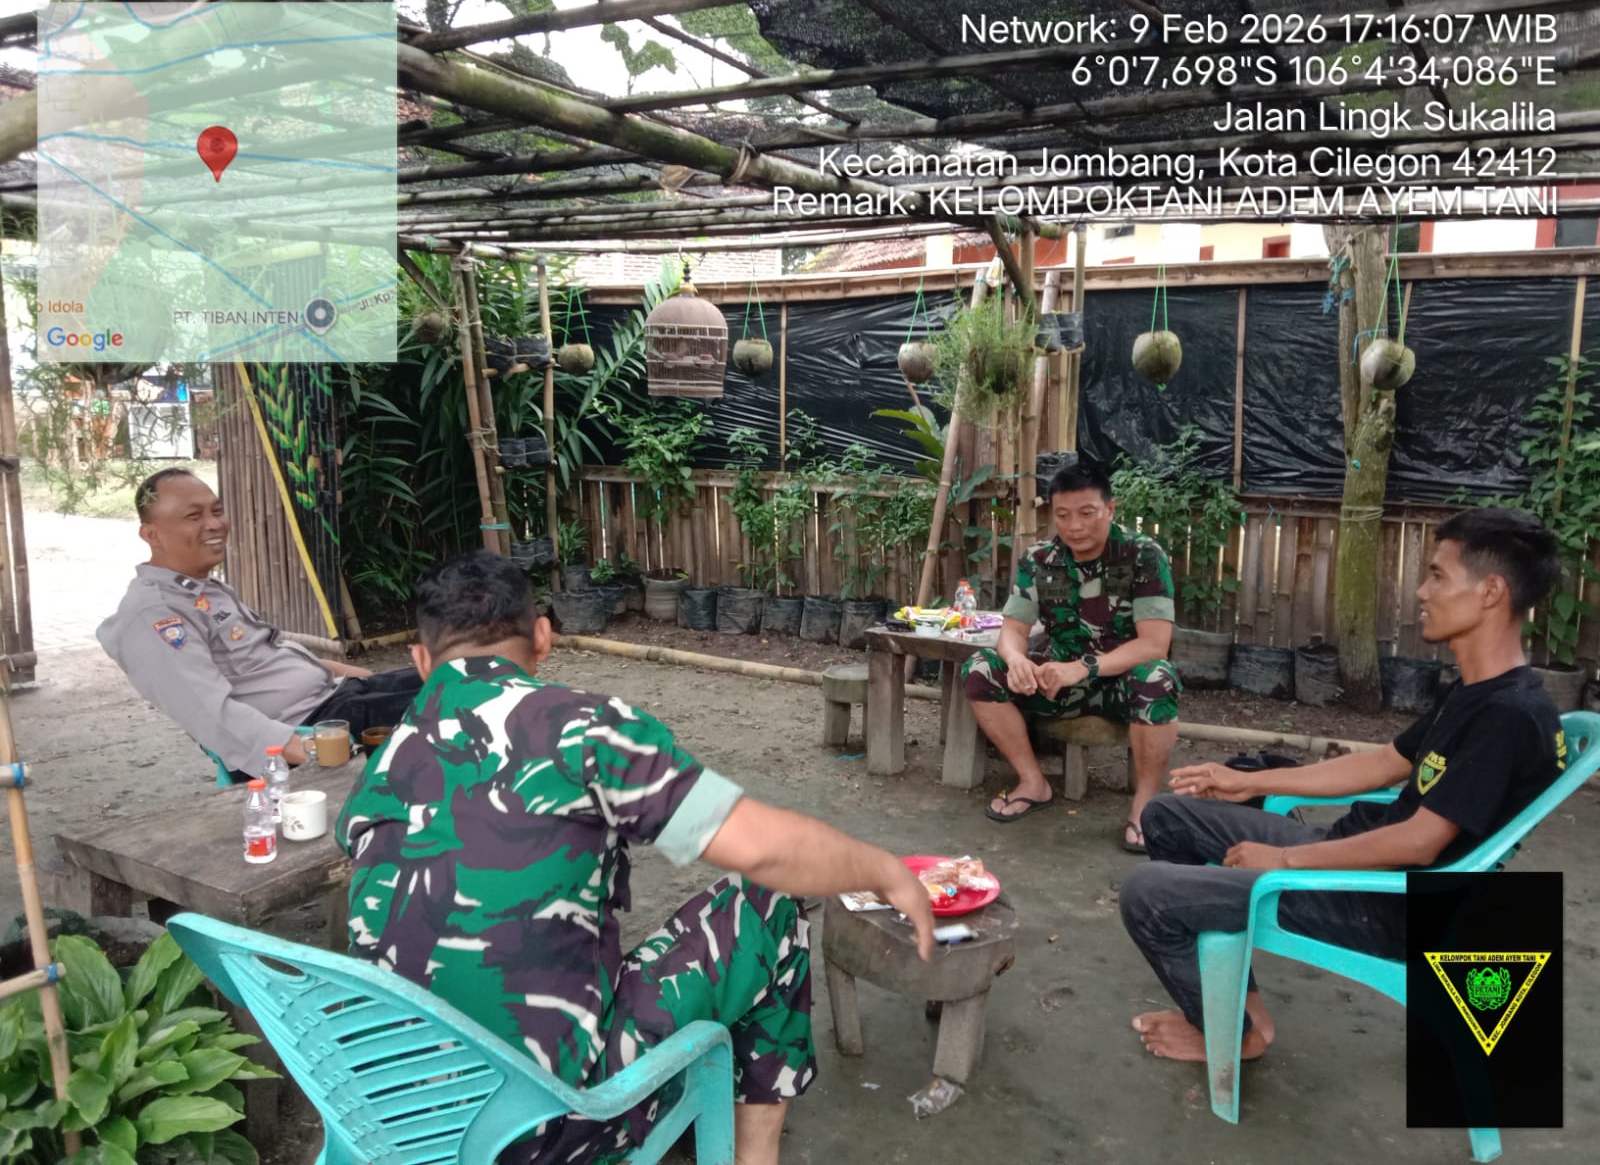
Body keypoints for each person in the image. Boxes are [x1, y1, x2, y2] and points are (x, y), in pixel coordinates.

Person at [336, 551, 934, 1165]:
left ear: (421, 660)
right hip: (551, 1130)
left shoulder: (383, 762)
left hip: (394, 1125)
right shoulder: (585, 729)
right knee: (770, 905)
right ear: (542, 637)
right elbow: (763, 849)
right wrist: (885, 871)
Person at [1120, 507, 1566, 1064]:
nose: (1422, 591)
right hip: (1358, 862)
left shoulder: (1508, 716)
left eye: (1437, 575)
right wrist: (1245, 780)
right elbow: (1382, 763)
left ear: (1491, 591)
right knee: (1166, 816)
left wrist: (1285, 863)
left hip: (1387, 902)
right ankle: (1240, 1013)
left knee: (1147, 894)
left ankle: (1234, 1035)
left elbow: (1419, 843)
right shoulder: (1478, 691)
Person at [97, 468, 422, 779]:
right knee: (447, 703)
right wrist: (314, 749)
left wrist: (369, 679)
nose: (214, 524)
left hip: (337, 697)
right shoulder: (154, 615)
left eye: (217, 511)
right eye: (194, 516)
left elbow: (267, 658)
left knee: (445, 674)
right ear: (151, 535)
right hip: (311, 728)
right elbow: (209, 715)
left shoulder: (204, 589)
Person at [961, 459, 1181, 850]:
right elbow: (1012, 631)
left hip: (1121, 685)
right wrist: (1017, 661)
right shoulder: (1040, 558)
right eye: (1063, 515)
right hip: (1056, 682)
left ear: (1110, 509)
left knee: (1158, 677)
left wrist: (1084, 667)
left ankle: (1145, 807)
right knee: (980, 669)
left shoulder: (1143, 556)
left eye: (1086, 513)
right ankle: (1033, 782)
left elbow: (1153, 644)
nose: (1074, 526)